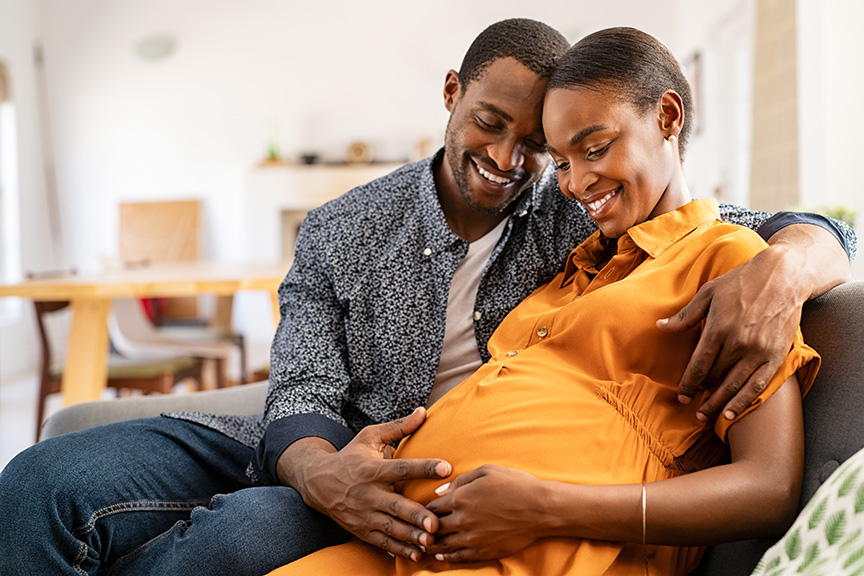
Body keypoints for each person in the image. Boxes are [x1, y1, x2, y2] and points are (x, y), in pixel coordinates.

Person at [0, 19, 853, 576]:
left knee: (232, 544)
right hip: (321, 447)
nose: (515, 163)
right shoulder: (346, 227)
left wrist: (790, 264)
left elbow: (738, 228)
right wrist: (325, 473)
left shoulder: (581, 210)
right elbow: (300, 389)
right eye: (492, 124)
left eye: (544, 146)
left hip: (421, 487)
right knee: (39, 482)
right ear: (452, 95)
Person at [265, 26, 821, 576]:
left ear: (668, 118)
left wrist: (544, 507)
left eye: (595, 149)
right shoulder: (575, 265)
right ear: (452, 94)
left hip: (543, 551)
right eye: (559, 162)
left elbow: (770, 487)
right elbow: (301, 386)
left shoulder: (737, 267)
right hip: (408, 540)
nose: (575, 184)